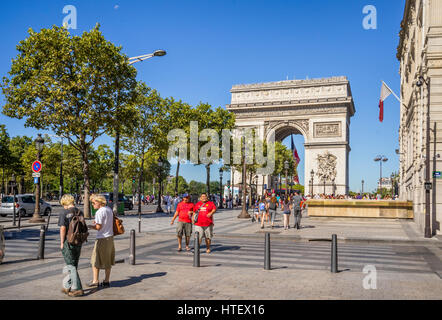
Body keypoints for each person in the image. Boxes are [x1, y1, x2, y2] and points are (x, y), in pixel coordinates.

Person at [58, 194, 84, 297]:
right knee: (74, 264)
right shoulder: (79, 211)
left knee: (71, 266)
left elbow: (63, 228)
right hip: (78, 241)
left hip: (68, 242)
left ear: (65, 203)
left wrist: (61, 242)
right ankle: (67, 285)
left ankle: (77, 289)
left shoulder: (64, 212)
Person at [88, 194, 115, 289]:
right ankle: (106, 280)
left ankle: (95, 280)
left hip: (102, 238)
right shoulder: (108, 209)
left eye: (93, 202)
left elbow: (98, 227)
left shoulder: (99, 212)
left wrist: (89, 226)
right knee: (107, 260)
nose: (92, 204)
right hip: (110, 237)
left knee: (95, 260)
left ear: (99, 202)